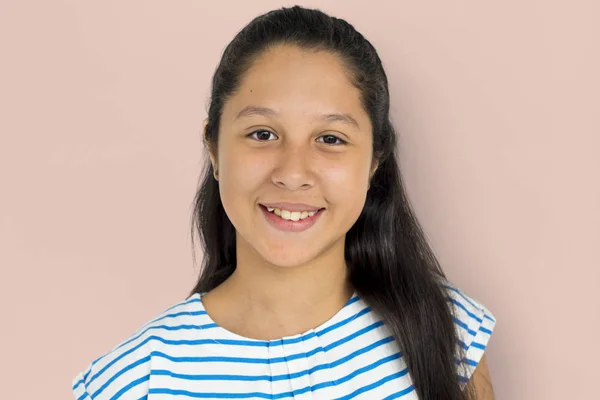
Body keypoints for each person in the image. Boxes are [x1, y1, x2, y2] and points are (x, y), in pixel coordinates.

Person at [72, 5, 496, 400]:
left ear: (374, 162)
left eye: (330, 139)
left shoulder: (447, 333)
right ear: (214, 149)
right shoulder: (132, 381)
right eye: (262, 134)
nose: (293, 173)